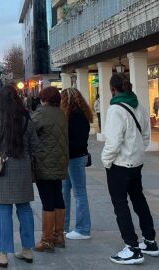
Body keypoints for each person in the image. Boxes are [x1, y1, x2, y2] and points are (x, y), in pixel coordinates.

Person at [102, 73, 158, 265]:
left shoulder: (115, 109)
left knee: (120, 205)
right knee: (139, 200)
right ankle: (150, 241)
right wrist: (138, 153)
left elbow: (113, 141)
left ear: (112, 89)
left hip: (120, 164)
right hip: (136, 163)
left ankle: (132, 248)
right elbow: (145, 135)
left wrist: (106, 160)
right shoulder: (139, 106)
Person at [0, 85, 39, 267]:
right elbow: (35, 145)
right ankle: (27, 249)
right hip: (22, 168)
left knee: (4, 211)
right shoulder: (25, 117)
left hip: (4, 168)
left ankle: (2, 253)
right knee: (24, 209)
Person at [32, 87, 69, 253]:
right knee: (57, 196)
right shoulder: (62, 114)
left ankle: (46, 240)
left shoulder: (41, 113)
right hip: (60, 162)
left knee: (47, 200)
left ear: (44, 99)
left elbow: (30, 131)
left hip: (44, 162)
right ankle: (59, 235)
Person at [60, 88, 93, 241]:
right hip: (73, 157)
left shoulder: (75, 115)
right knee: (65, 191)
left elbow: (77, 141)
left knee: (79, 193)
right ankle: (64, 227)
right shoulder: (81, 114)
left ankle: (83, 229)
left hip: (74, 158)